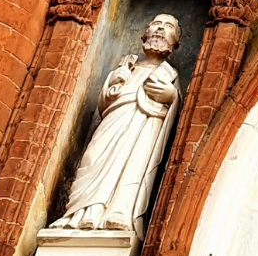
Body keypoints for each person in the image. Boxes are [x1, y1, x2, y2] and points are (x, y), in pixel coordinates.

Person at [50, 14, 183, 235]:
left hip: (145, 126)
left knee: (134, 164)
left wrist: (171, 96)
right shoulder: (127, 67)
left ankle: (119, 212)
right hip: (113, 120)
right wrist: (114, 82)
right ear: (146, 32)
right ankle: (77, 214)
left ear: (175, 41)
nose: (160, 29)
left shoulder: (169, 75)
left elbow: (177, 111)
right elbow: (104, 104)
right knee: (94, 156)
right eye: (156, 24)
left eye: (168, 27)